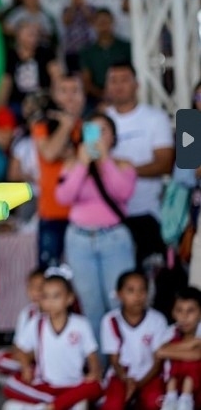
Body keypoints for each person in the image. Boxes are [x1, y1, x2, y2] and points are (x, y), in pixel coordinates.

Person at [55, 112, 137, 339]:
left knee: (119, 303)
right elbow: (63, 197)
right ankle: (99, 368)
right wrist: (83, 163)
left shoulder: (122, 165)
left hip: (114, 239)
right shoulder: (73, 164)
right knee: (91, 307)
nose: (98, 137)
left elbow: (123, 192)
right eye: (92, 131)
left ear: (113, 137)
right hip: (79, 240)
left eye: (103, 131)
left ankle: (122, 366)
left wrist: (104, 161)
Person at [104, 62, 174, 268]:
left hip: (148, 212)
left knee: (151, 280)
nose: (118, 86)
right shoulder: (100, 120)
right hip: (110, 216)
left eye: (124, 80)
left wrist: (125, 168)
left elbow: (164, 164)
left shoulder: (155, 118)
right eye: (113, 81)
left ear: (137, 84)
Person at [2, 270, 103, 410]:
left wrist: (94, 371)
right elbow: (20, 349)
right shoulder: (37, 323)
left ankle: (53, 406)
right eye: (45, 297)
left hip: (74, 385)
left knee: (96, 386)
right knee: (11, 385)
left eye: (56, 296)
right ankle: (65, 403)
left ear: (69, 298)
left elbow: (91, 354)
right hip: (46, 385)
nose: (50, 302)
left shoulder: (80, 324)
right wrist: (26, 368)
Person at [30, 74, 85, 269]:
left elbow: (97, 161)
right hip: (52, 212)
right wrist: (66, 125)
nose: (70, 97)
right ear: (54, 95)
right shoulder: (41, 126)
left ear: (83, 96)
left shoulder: (92, 126)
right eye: (64, 91)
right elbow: (50, 153)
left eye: (75, 91)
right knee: (50, 277)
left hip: (86, 212)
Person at [100, 270, 168, 410]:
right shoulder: (110, 320)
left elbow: (157, 361)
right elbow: (114, 360)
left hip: (149, 374)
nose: (138, 296)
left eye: (142, 290)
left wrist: (139, 384)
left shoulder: (157, 320)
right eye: (131, 290)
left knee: (155, 403)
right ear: (119, 294)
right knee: (112, 405)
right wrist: (126, 380)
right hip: (121, 375)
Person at [0, 267, 46, 388]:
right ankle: (15, 378)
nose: (36, 292)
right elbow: (18, 344)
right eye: (31, 287)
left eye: (40, 288)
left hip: (40, 359)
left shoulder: (49, 316)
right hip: (24, 358)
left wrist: (27, 358)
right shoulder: (27, 313)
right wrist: (22, 357)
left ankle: (12, 381)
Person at [154, 286, 201, 410]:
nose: (184, 317)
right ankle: (171, 400)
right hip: (174, 386)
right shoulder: (171, 331)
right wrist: (194, 342)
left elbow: (198, 355)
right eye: (179, 310)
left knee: (191, 362)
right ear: (173, 313)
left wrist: (171, 351)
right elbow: (159, 351)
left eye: (190, 311)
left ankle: (186, 400)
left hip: (198, 386)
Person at [79, 9, 131, 107]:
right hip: (97, 99)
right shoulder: (87, 51)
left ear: (112, 23)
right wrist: (103, 95)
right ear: (94, 25)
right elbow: (86, 81)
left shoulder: (126, 47)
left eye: (106, 22)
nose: (103, 26)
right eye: (100, 23)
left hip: (124, 95)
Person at [60, 0, 96, 74]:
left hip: (87, 47)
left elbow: (92, 21)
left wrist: (82, 5)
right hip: (71, 49)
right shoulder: (66, 8)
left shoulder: (91, 7)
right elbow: (66, 21)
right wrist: (73, 5)